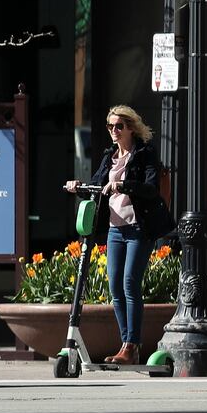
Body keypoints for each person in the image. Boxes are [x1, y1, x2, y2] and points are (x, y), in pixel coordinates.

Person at [65, 105, 174, 365]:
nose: (113, 131)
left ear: (131, 128)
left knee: (129, 284)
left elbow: (150, 189)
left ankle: (131, 345)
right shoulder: (109, 157)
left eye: (119, 126)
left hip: (139, 228)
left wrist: (124, 185)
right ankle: (127, 344)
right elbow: (97, 186)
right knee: (115, 286)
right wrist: (78, 186)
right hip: (115, 229)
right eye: (110, 126)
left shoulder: (144, 154)